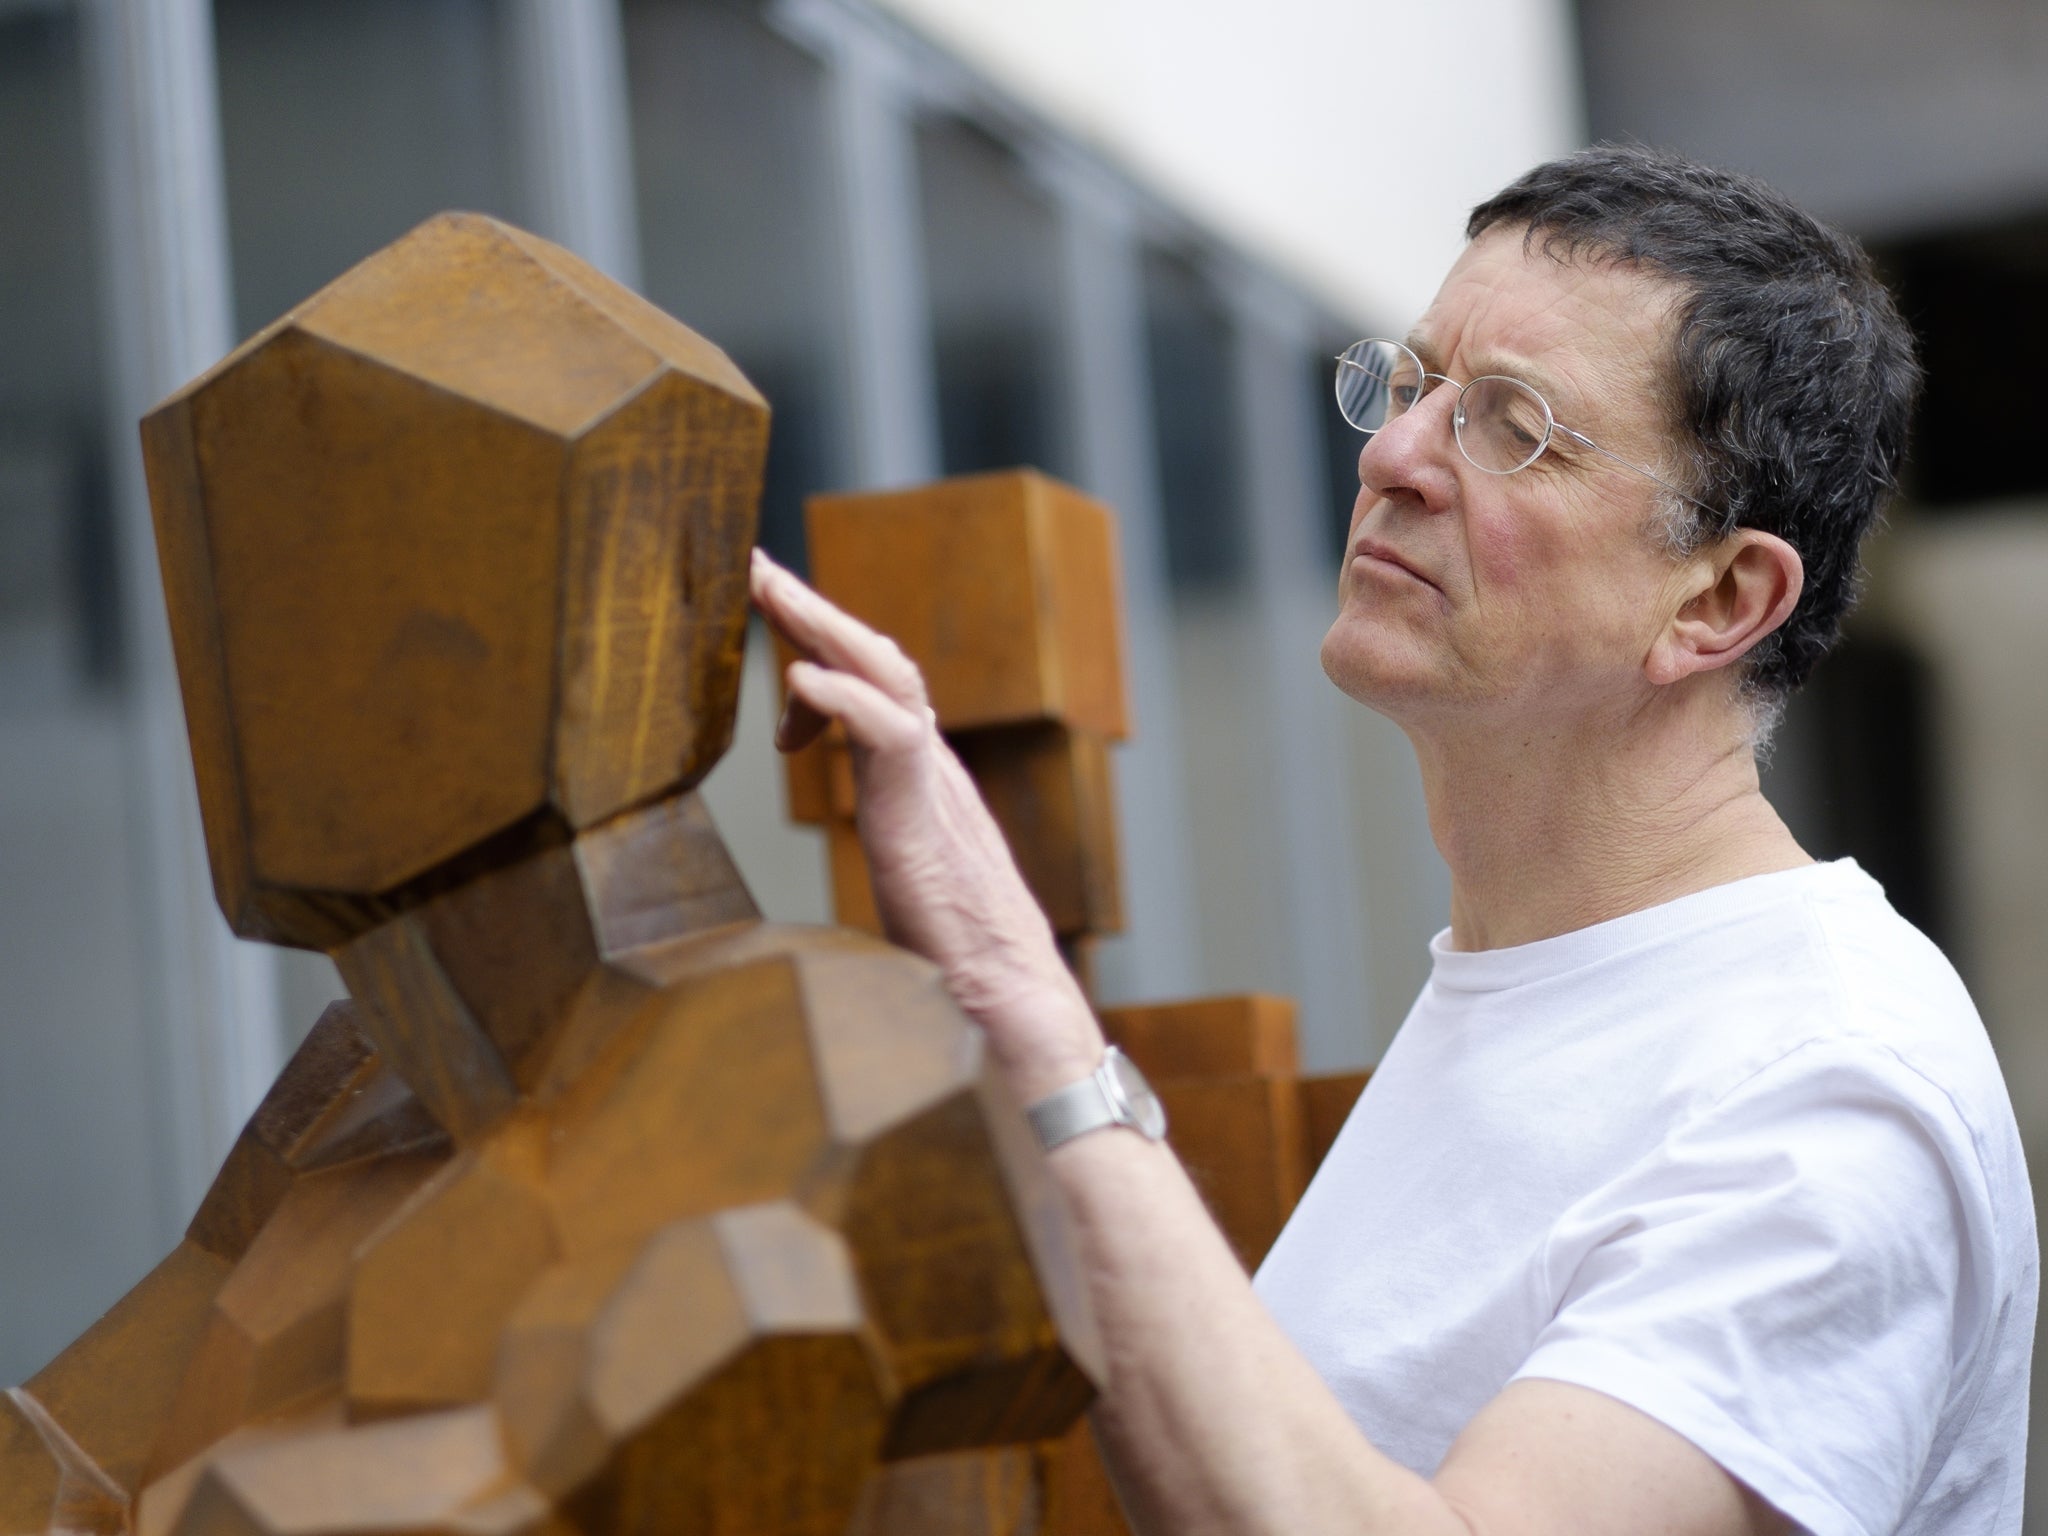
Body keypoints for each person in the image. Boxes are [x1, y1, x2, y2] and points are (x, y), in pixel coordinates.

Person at [749, 144, 2037, 1536]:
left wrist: (1027, 1009)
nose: (1392, 455)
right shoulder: (1540, 982)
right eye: (1413, 384)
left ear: (1718, 602)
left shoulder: (1826, 1082)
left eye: (1515, 426)